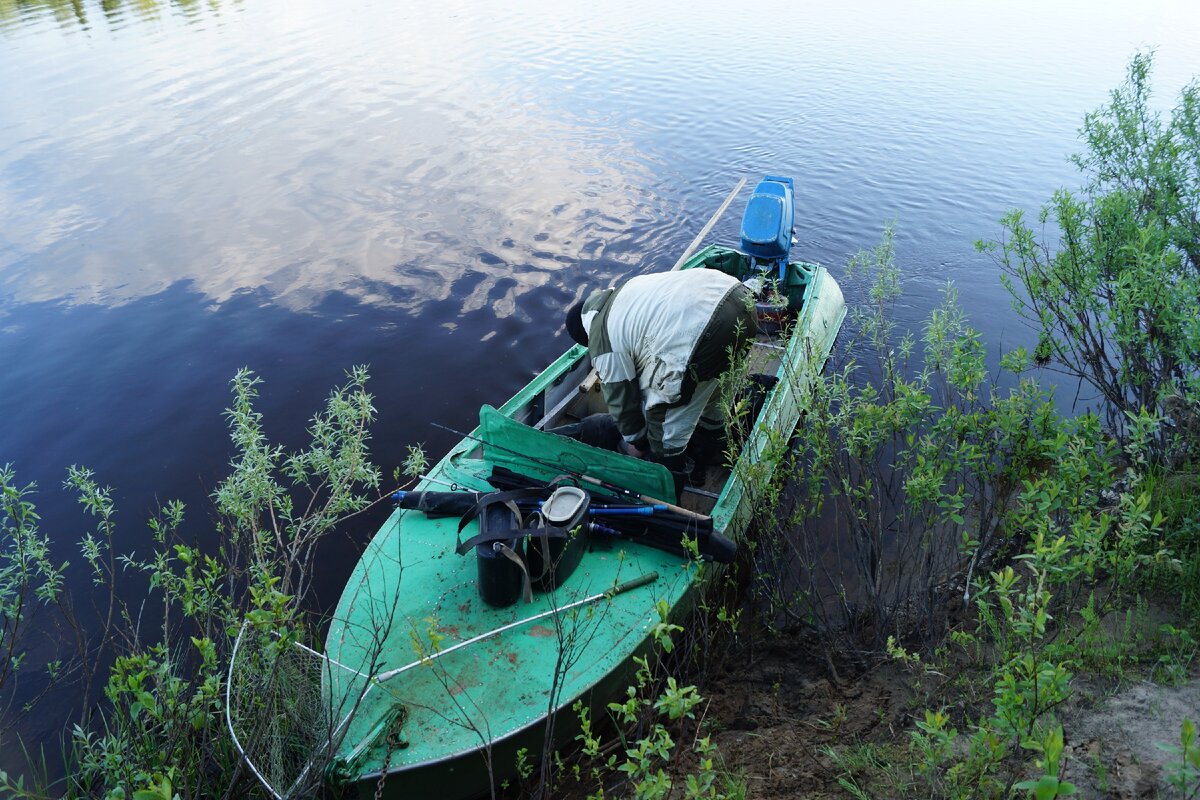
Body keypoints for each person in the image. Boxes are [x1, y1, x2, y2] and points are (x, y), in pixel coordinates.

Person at [563, 268, 758, 473]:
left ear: (586, 336)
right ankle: (714, 448)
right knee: (715, 387)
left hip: (706, 327)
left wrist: (636, 442)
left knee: (662, 416)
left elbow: (621, 399)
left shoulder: (600, 336)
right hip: (739, 297)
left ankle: (670, 482)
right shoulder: (625, 291)